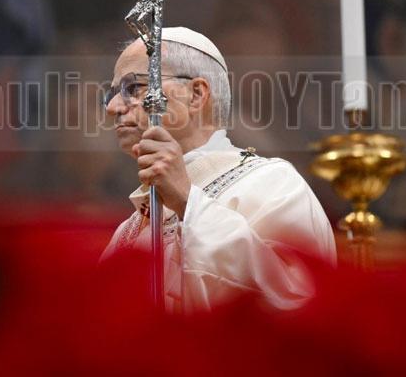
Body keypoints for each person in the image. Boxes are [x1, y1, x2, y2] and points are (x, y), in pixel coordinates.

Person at [101, 27, 336, 313]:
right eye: (111, 94)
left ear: (196, 95)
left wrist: (189, 203)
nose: (113, 107)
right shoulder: (129, 230)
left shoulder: (274, 186)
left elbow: (297, 300)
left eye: (132, 88)